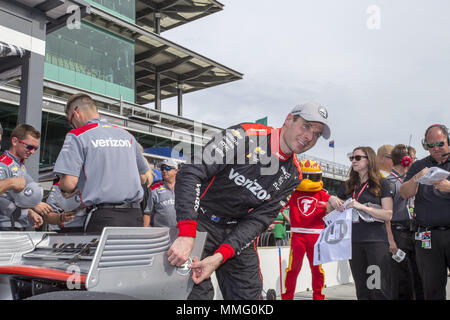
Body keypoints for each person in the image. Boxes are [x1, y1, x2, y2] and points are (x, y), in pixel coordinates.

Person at [167, 101, 331, 300]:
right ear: (289, 119)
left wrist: (220, 257)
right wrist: (186, 232)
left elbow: (259, 221)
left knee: (249, 298)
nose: (309, 137)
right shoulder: (244, 135)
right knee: (197, 297)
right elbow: (191, 172)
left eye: (316, 134)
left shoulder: (294, 175)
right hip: (198, 223)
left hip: (236, 231)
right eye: (306, 126)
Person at [53, 93, 149, 233]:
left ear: (76, 113)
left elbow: (69, 184)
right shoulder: (126, 135)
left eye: (70, 121)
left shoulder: (77, 135)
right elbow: (143, 177)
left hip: (104, 217)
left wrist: (64, 186)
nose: (72, 125)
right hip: (134, 216)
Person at [328, 146, 393, 300]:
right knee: (362, 290)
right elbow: (331, 210)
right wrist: (331, 200)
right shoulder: (348, 185)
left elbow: (388, 214)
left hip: (376, 242)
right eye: (352, 158)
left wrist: (362, 206)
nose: (353, 161)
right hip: (354, 243)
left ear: (369, 160)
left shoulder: (382, 184)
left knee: (377, 288)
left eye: (358, 158)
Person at [400, 124, 450, 300]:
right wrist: (416, 178)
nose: (435, 148)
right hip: (427, 236)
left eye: (440, 143)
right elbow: (405, 193)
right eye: (430, 145)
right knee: (432, 288)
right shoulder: (420, 165)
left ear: (448, 141)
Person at [282, 159, 330, 300]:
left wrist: (327, 206)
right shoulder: (293, 192)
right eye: (305, 176)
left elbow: (335, 207)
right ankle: (287, 297)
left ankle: (318, 296)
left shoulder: (323, 193)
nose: (308, 180)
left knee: (317, 269)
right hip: (298, 236)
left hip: (316, 236)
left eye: (312, 177)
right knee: (293, 268)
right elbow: (279, 205)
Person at [385, 144, 423, 300]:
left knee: (417, 276)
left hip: (414, 232)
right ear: (406, 160)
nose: (416, 161)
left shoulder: (413, 180)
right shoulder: (389, 182)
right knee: (401, 279)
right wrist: (391, 240)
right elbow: (386, 215)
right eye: (414, 158)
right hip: (399, 233)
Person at [0, 124, 51, 230]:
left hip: (16, 226)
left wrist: (29, 212)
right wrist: (33, 205)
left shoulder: (20, 165)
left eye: (35, 148)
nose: (32, 151)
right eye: (30, 147)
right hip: (5, 228)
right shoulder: (3, 164)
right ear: (14, 141)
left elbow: (13, 198)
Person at [144, 159, 178, 227]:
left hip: (180, 232)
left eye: (168, 168)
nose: (164, 171)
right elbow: (147, 213)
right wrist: (145, 231)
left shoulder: (184, 187)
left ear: (176, 171)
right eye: (162, 168)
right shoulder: (154, 188)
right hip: (160, 232)